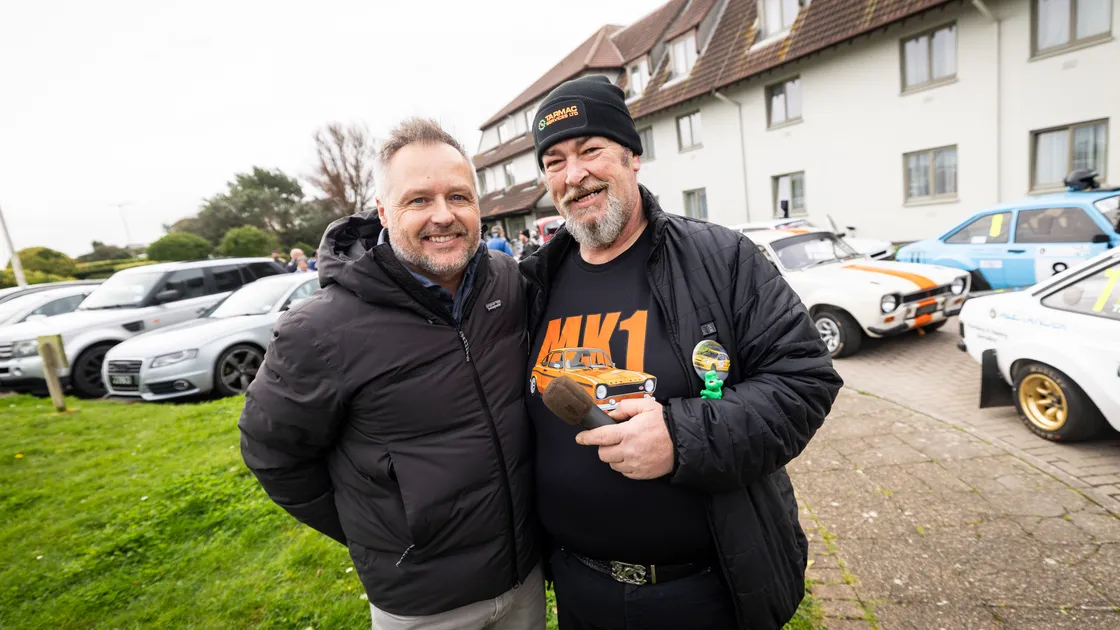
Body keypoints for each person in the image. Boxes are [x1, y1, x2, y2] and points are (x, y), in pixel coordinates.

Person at [520, 75, 843, 630]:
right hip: (579, 589)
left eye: (591, 150)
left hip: (701, 593)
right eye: (555, 160)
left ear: (631, 156)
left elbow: (805, 381)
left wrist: (682, 436)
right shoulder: (531, 285)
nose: (575, 175)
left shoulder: (723, 258)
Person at [239, 117, 544, 630]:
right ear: (382, 211)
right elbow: (273, 454)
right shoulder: (319, 330)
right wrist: (381, 531)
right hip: (421, 604)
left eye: (459, 197)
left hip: (524, 579)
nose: (443, 216)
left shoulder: (508, 284)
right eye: (419, 200)